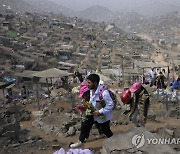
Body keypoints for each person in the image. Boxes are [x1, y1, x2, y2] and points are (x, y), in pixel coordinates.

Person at [70, 82, 102, 148]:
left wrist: (84, 108)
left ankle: (80, 140)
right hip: (96, 114)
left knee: (86, 123)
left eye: (84, 95)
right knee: (93, 122)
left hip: (98, 112)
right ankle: (99, 133)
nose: (84, 97)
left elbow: (93, 108)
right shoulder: (88, 99)